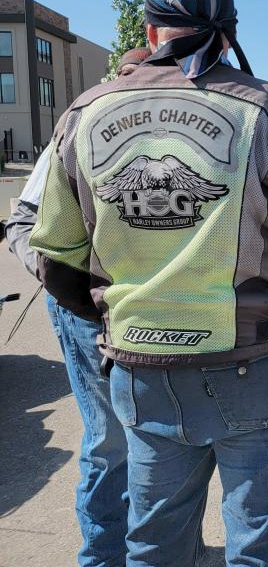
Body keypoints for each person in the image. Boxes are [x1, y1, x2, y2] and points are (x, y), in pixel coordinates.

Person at [29, 0, 268, 567]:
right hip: (259, 363)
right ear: (229, 33)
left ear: (150, 30)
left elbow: (55, 255)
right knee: (263, 545)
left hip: (142, 369)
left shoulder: (82, 116)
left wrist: (119, 320)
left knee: (154, 543)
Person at [5, 47, 152, 566]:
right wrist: (74, 293)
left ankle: (167, 547)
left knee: (162, 441)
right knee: (110, 441)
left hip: (159, 312)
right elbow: (23, 222)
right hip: (91, 313)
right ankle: (104, 556)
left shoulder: (180, 135)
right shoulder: (83, 127)